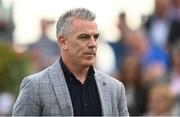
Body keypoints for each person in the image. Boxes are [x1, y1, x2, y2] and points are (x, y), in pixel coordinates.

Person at [12, 8, 129, 116]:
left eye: (96, 37)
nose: (93, 44)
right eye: (84, 37)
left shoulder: (115, 89)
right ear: (63, 42)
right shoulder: (34, 87)